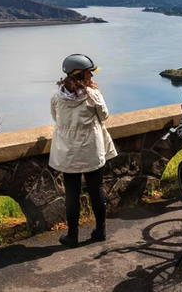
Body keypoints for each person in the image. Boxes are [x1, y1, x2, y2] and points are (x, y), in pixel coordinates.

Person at [49, 53, 117, 248]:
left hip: (68, 151)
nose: (92, 77)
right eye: (89, 74)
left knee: (71, 194)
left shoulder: (56, 96)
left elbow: (55, 118)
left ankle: (72, 235)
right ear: (80, 75)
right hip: (91, 150)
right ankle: (100, 230)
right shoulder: (92, 95)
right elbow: (104, 116)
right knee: (96, 189)